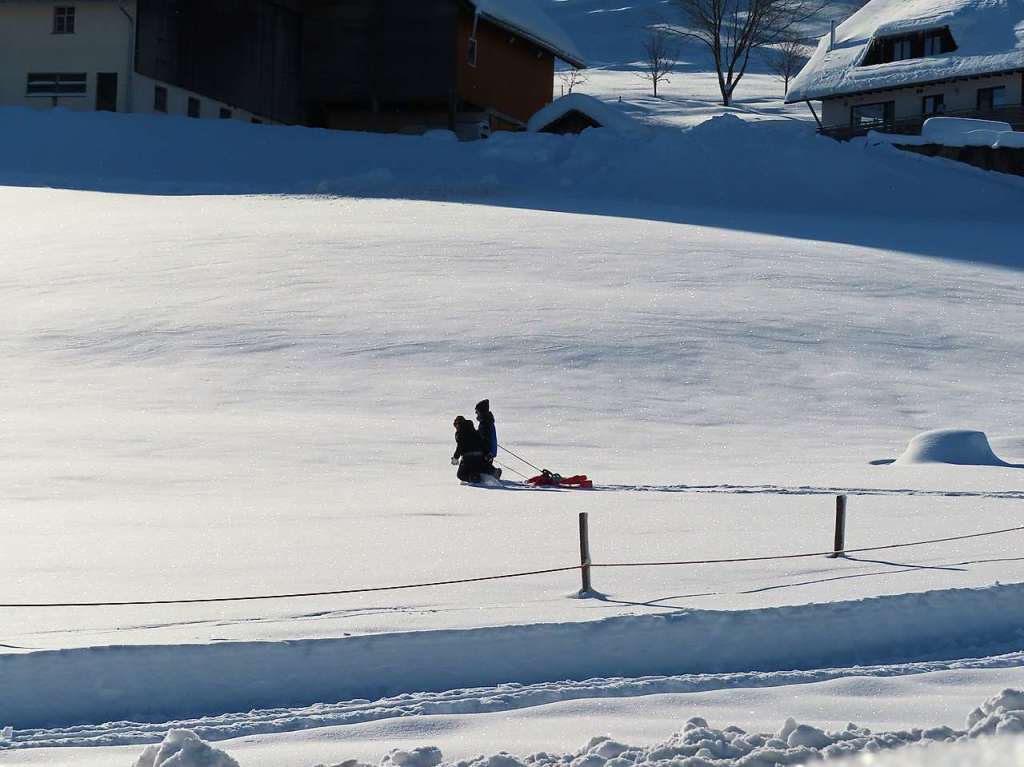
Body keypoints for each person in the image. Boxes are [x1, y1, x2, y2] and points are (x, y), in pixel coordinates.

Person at [451, 416, 487, 483]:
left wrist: (455, 458)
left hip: (468, 456)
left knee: (460, 475)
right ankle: (485, 475)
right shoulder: (474, 431)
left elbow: (460, 446)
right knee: (474, 470)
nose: (456, 428)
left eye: (456, 425)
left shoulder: (460, 432)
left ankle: (474, 478)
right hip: (479, 456)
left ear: (458, 424)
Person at [475, 399, 501, 479]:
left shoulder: (485, 423)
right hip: (488, 450)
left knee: (481, 466)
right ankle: (493, 472)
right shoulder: (487, 421)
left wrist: (488, 453)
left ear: (481, 411)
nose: (476, 413)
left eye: (477, 411)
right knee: (483, 466)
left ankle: (494, 472)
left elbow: (486, 439)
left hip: (487, 450)